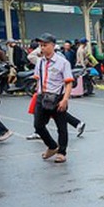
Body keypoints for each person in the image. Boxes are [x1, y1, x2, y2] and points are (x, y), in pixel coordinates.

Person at [32, 33, 74, 163]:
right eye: (41, 46)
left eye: (45, 45)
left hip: (57, 98)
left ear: (53, 45)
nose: (42, 48)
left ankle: (62, 152)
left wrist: (65, 99)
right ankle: (52, 146)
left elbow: (68, 82)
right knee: (38, 125)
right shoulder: (39, 62)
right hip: (42, 97)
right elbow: (37, 79)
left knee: (61, 126)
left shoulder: (63, 63)